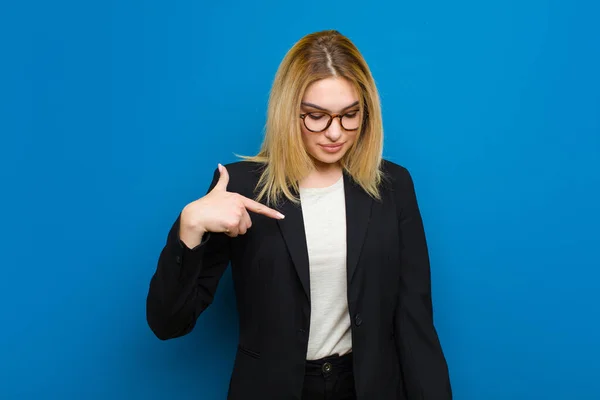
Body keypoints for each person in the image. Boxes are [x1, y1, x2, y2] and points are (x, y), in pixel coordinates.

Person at [146, 29, 452, 400]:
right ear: (289, 111)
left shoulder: (393, 186)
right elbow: (168, 322)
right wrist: (190, 225)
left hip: (369, 387)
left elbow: (415, 322)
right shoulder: (241, 188)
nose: (335, 133)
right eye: (316, 116)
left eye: (350, 115)